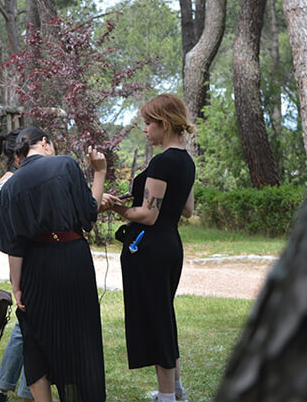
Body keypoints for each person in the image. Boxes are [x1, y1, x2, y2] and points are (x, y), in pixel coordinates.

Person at [0, 127, 108, 402]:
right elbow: (89, 214)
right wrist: (100, 172)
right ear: (44, 143)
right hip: (73, 258)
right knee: (79, 335)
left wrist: (17, 286)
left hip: (35, 265)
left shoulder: (9, 187)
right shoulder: (65, 165)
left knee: (35, 338)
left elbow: (14, 246)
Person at [102, 93, 196, 402]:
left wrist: (115, 207)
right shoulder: (186, 161)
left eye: (147, 123)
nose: (144, 129)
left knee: (156, 321)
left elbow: (148, 215)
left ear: (164, 124)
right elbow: (187, 210)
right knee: (164, 316)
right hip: (171, 245)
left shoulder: (162, 161)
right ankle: (176, 390)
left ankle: (166, 396)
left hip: (149, 247)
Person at [0, 129, 34, 402]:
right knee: (33, 326)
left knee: (24, 324)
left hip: (17, 258)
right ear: (19, 155)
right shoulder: (18, 183)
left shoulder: (2, 183)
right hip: (30, 258)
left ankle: (3, 388)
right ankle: (27, 390)